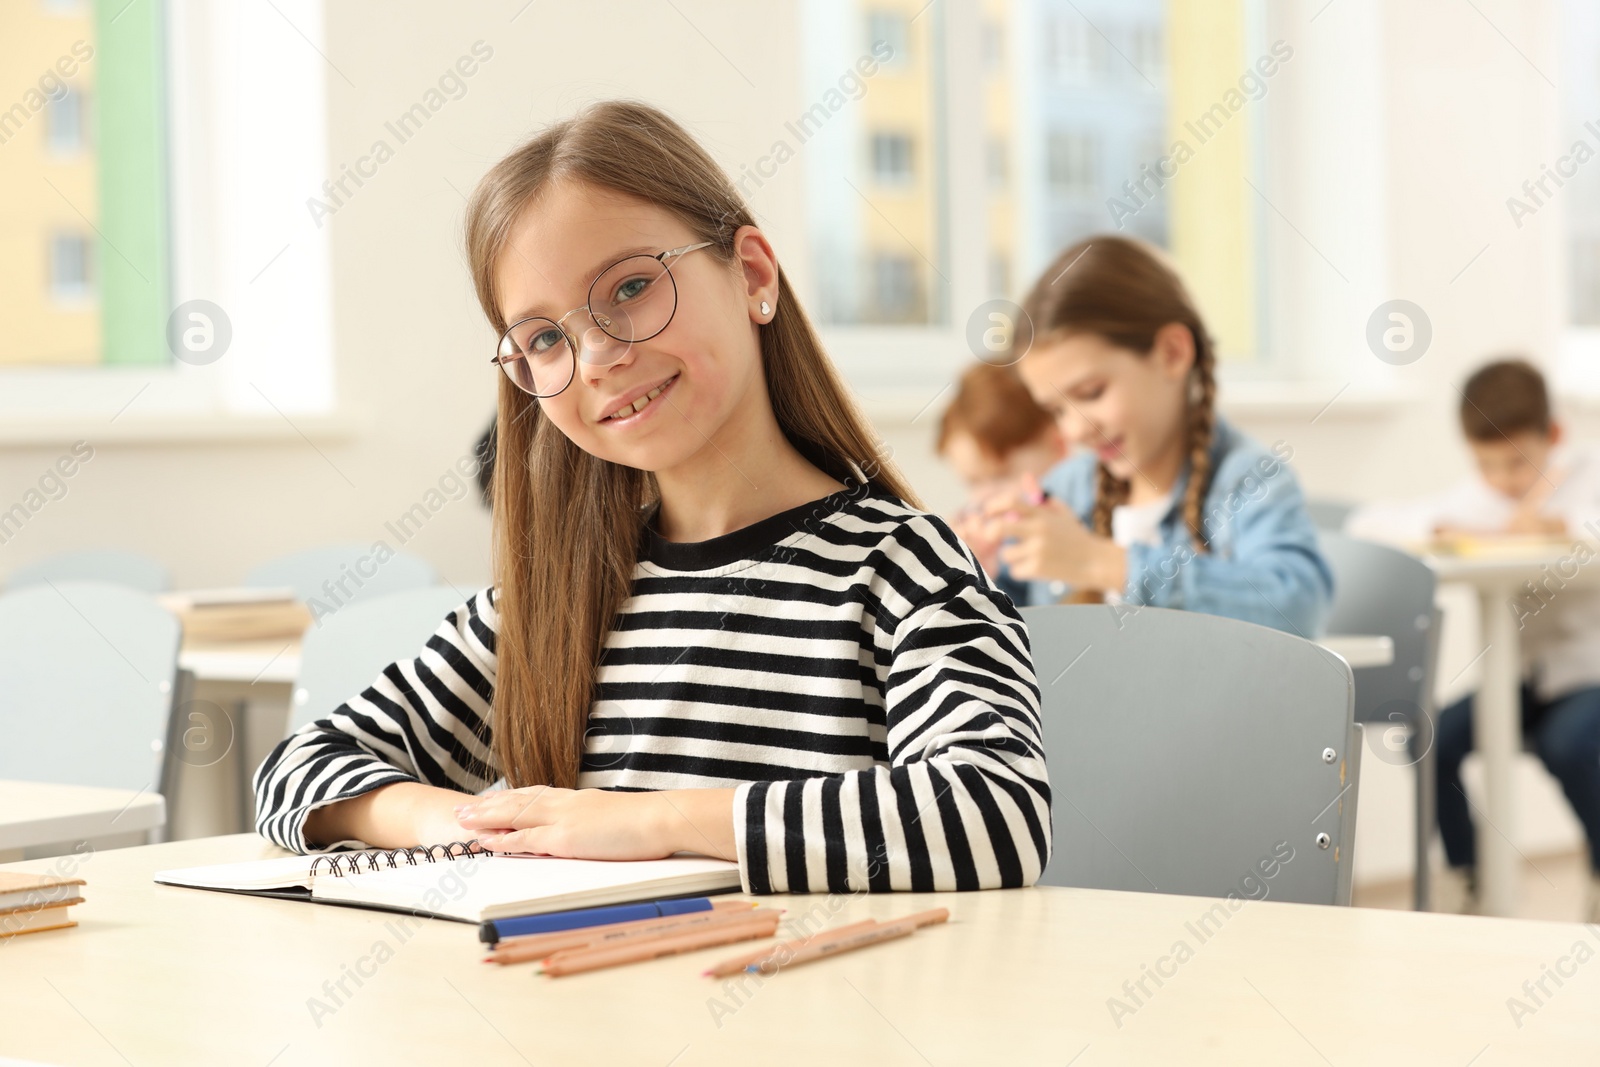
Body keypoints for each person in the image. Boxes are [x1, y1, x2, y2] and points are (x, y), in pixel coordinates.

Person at [253, 100, 1050, 896]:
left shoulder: (900, 565)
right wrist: (462, 825)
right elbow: (296, 770)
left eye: (630, 287)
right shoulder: (555, 599)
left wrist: (645, 823)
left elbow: (995, 812)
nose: (596, 357)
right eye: (542, 339)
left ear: (753, 275)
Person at [978, 235, 1332, 636]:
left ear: (1172, 354)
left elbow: (1299, 608)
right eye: (1057, 410)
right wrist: (977, 576)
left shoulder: (1249, 481)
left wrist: (1100, 563)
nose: (1075, 429)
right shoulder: (1067, 488)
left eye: (1091, 393)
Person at [1348, 358, 1600, 919]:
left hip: (1588, 675)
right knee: (1429, 736)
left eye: (1518, 462)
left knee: (1570, 743)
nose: (1504, 479)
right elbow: (1367, 522)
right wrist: (1440, 529)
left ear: (1553, 436)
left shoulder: (1587, 475)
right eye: (1486, 465)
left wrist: (1560, 522)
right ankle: (1472, 878)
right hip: (1526, 679)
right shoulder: (1481, 498)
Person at [938, 361, 1066, 578]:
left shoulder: (1090, 514)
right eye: (974, 482)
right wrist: (984, 575)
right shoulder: (999, 544)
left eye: (1001, 476)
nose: (983, 498)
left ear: (1058, 443)